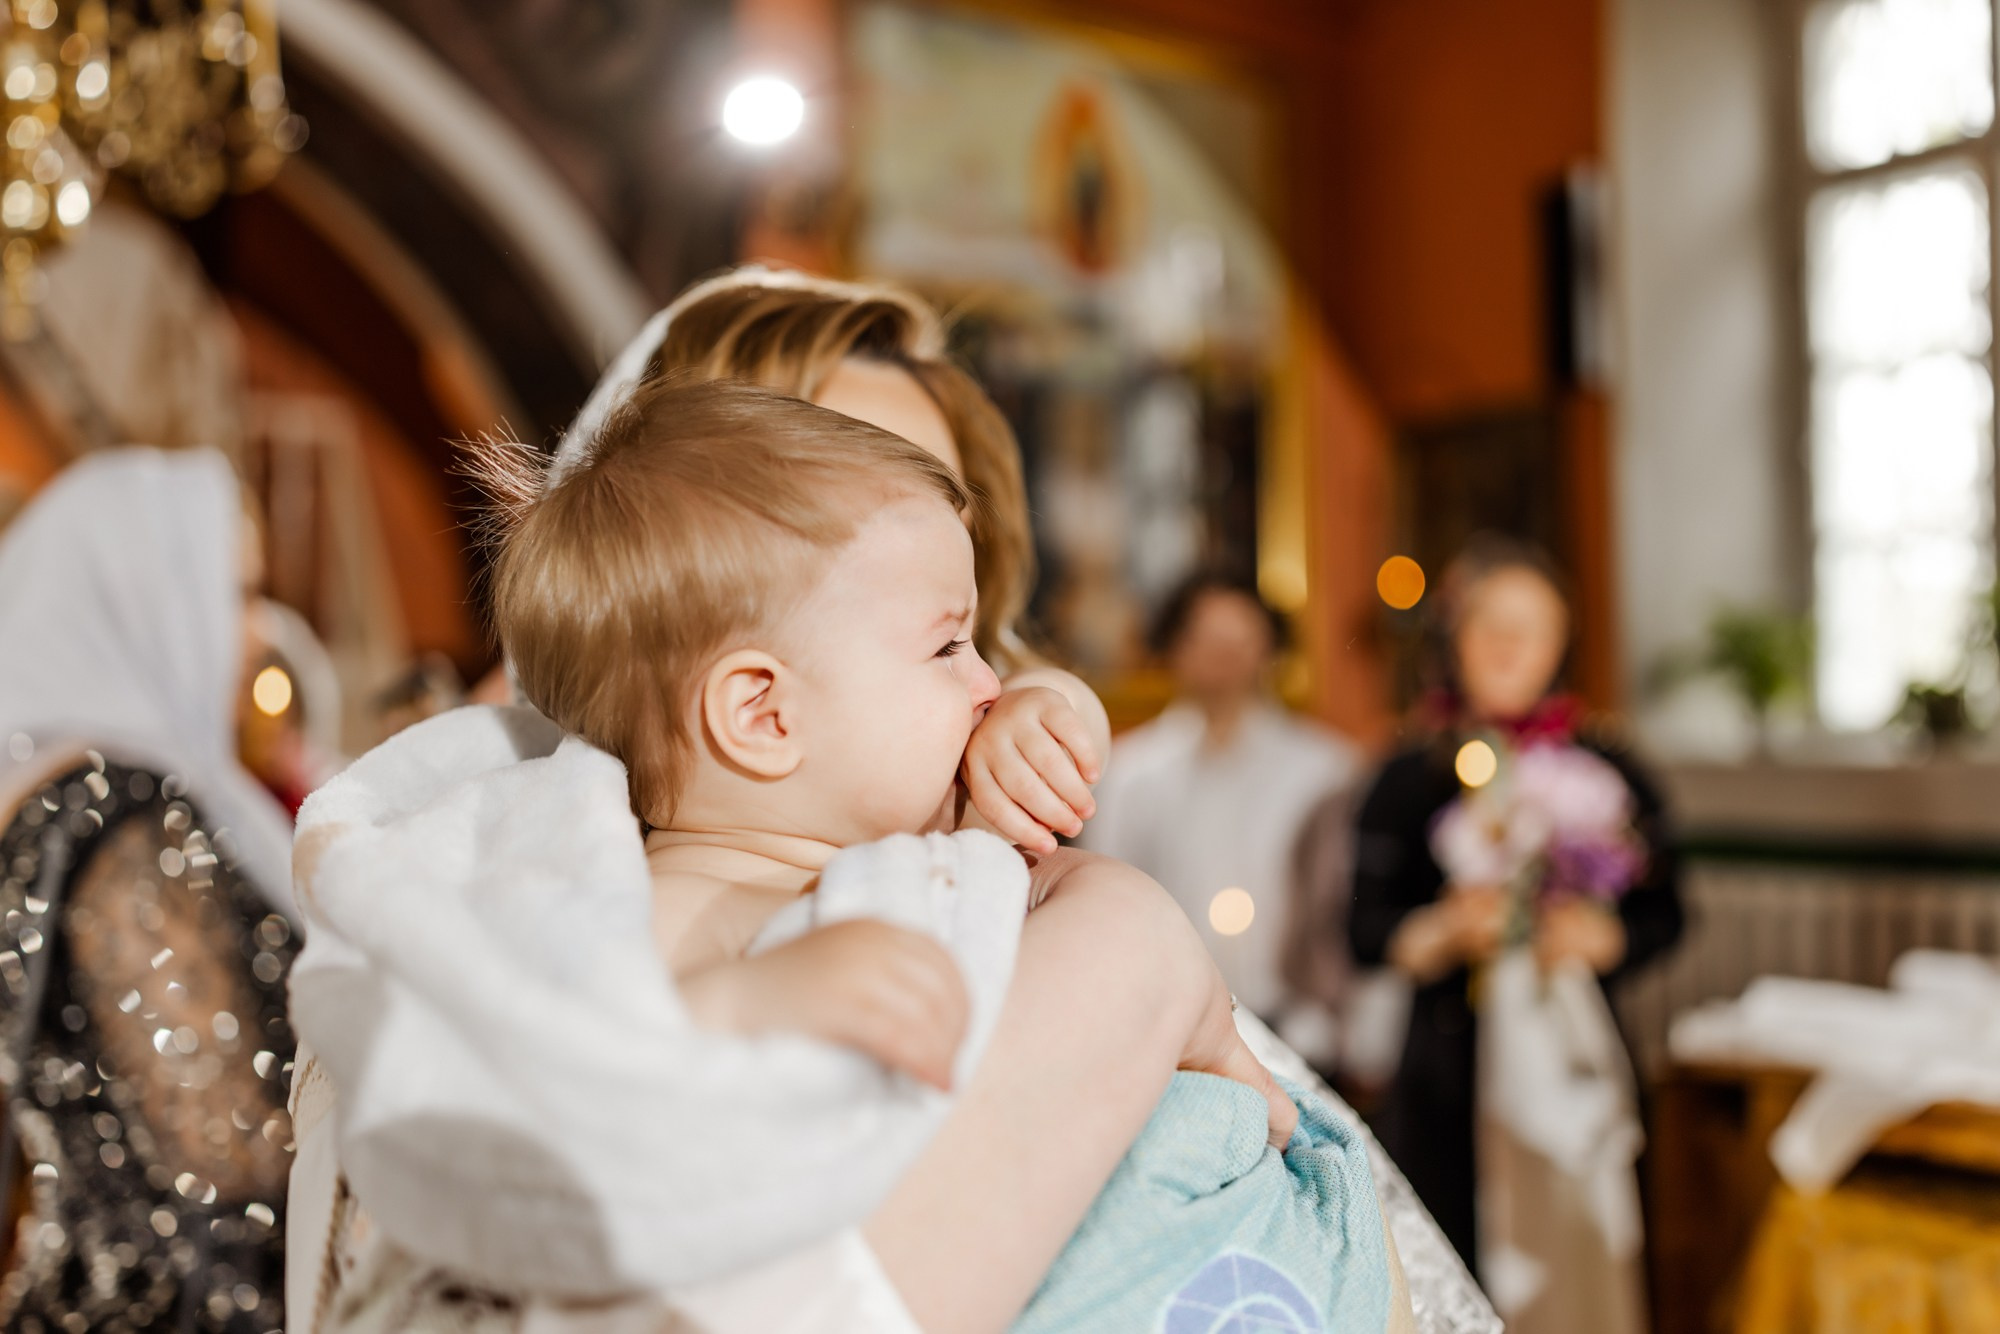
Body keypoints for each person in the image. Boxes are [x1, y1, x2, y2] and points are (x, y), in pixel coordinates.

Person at [566, 265, 1112, 855]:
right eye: (866, 487)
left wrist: (1036, 707)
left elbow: (1065, 713)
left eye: (939, 496)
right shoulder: (555, 804)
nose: (921, 527)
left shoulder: (961, 718)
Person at [0, 448, 299, 1333]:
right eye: (236, 592)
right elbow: (227, 1141)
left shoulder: (49, 797)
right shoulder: (114, 812)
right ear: (143, 596)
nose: (257, 634)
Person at [1347, 537, 1684, 1284]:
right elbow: (1362, 933)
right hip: (1446, 1074)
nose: (1508, 647)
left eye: (1532, 628)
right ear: (1454, 638)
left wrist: (1606, 937)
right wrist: (1441, 931)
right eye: (1490, 624)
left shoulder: (1608, 767)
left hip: (1572, 1056)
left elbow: (1669, 910)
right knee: (1449, 1256)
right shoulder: (1407, 775)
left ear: (1560, 644)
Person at [1084, 570, 1360, 1023]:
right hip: (1172, 1021)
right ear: (1174, 646)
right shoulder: (1131, 774)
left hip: (1297, 1020)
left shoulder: (1324, 769)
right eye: (1206, 639)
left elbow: (1335, 907)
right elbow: (1107, 904)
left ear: (1269, 647)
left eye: (1240, 640)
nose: (1224, 658)